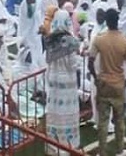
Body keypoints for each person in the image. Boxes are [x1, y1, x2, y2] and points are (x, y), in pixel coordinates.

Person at [89, 8, 126, 156]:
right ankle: (120, 150)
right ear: (117, 21)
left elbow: (90, 62)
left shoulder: (99, 39)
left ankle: (102, 152)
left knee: (102, 122)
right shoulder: (125, 42)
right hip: (118, 84)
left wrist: (96, 78)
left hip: (103, 84)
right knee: (119, 121)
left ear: (106, 22)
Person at [44, 10, 81, 155]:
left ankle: (53, 146)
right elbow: (73, 65)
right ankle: (67, 145)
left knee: (55, 112)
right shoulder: (69, 41)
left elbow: (47, 60)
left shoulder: (51, 39)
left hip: (53, 80)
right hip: (66, 83)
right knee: (66, 113)